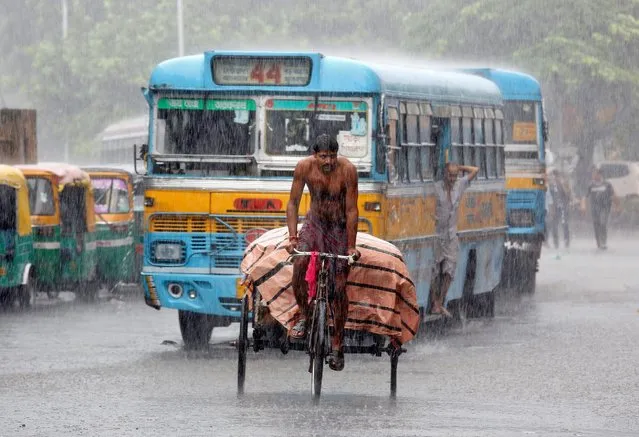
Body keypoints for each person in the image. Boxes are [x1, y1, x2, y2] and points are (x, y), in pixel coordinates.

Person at [285, 133, 360, 371]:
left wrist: (351, 245)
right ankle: (306, 316)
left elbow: (351, 210)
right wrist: (293, 237)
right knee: (298, 267)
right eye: (323, 157)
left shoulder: (348, 170)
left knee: (338, 287)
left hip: (338, 228)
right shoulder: (304, 167)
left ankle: (338, 344)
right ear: (314, 155)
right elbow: (293, 203)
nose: (328, 162)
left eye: (332, 156)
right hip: (314, 225)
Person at [430, 162, 479, 317]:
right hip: (437, 235)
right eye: (450, 175)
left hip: (452, 235)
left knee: (449, 271)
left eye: (455, 176)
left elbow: (475, 170)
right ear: (444, 174)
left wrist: (460, 167)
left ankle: (441, 302)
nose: (452, 178)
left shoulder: (460, 185)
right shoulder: (436, 188)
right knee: (434, 271)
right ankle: (434, 303)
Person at [581, 166, 619, 250]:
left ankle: (603, 242)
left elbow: (613, 195)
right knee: (596, 225)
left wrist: (617, 207)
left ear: (599, 175)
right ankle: (598, 242)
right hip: (594, 209)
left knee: (603, 223)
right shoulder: (591, 185)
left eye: (595, 174)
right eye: (593, 174)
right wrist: (583, 206)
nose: (593, 175)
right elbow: (584, 196)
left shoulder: (607, 184)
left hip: (605, 208)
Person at [547, 169, 571, 249]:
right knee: (554, 225)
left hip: (563, 207)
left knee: (565, 225)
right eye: (553, 176)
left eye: (556, 176)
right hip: (555, 208)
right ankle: (556, 243)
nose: (555, 178)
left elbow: (568, 195)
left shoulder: (563, 184)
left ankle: (566, 241)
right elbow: (549, 197)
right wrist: (551, 208)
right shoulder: (551, 186)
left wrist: (564, 186)